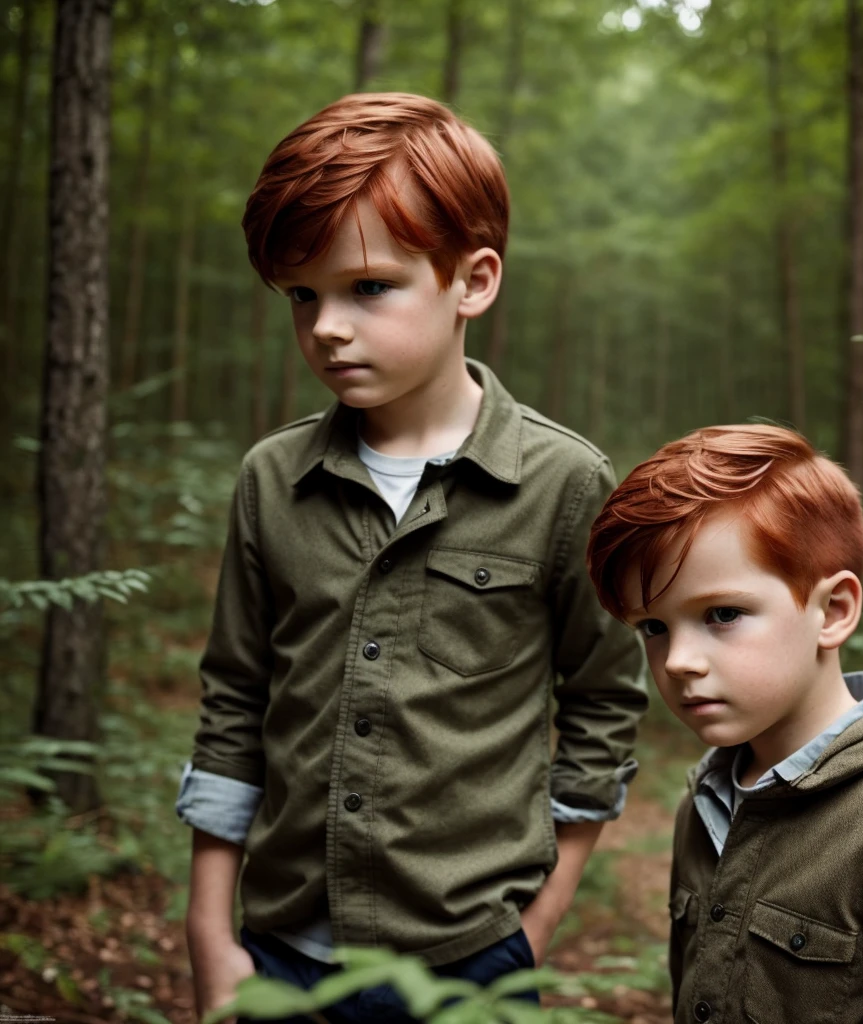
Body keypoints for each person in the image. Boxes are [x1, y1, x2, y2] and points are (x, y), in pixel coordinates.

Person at [175, 92, 647, 1024]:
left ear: (472, 281)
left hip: (472, 959)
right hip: (282, 953)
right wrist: (209, 935)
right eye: (303, 295)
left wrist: (535, 929)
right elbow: (235, 697)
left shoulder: (564, 484)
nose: (326, 327)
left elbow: (602, 702)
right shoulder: (274, 479)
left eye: (369, 287)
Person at [586, 424, 863, 1024]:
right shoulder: (708, 804)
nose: (678, 660)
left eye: (722, 614)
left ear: (833, 612)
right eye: (653, 628)